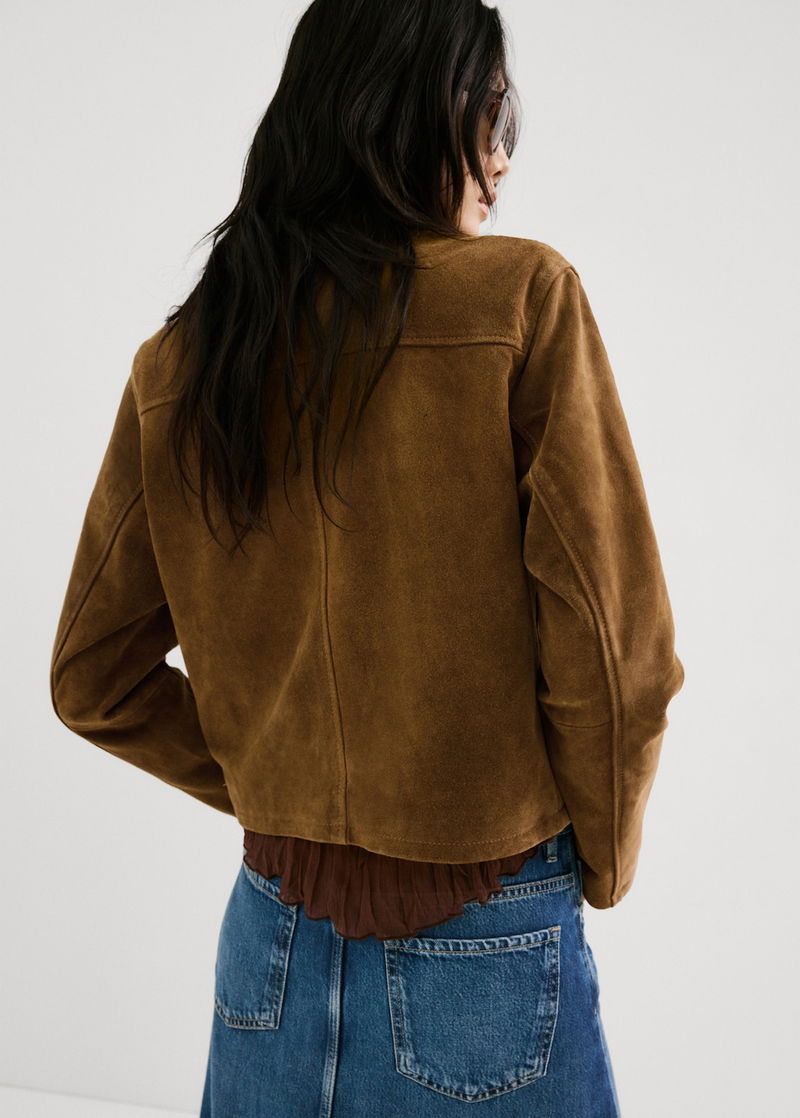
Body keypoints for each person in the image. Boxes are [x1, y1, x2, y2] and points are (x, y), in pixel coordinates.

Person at [49, 1, 684, 1114]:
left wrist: (284, 796)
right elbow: (613, 647)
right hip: (488, 927)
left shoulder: (186, 355)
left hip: (270, 945)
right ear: (406, 109)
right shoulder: (521, 298)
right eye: (489, 117)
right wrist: (599, 862)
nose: (500, 160)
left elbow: (90, 677)